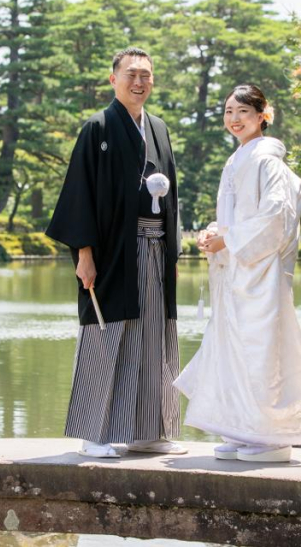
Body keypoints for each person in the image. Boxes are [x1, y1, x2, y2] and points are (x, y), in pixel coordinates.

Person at [47, 47, 185, 458]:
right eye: (131, 74)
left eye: (146, 75)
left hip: (155, 249)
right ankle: (95, 434)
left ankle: (148, 431)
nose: (139, 82)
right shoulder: (98, 127)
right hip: (111, 251)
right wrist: (84, 254)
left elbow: (173, 194)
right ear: (114, 79)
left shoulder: (158, 128)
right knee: (106, 333)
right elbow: (79, 195)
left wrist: (172, 256)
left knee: (153, 339)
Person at [174, 84, 301, 463]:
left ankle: (270, 437)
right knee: (234, 350)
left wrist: (229, 239)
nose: (234, 119)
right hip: (238, 273)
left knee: (261, 351)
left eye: (243, 112)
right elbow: (237, 217)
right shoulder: (239, 158)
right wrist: (214, 232)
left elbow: (276, 219)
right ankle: (241, 428)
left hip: (262, 274)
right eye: (228, 112)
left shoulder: (267, 161)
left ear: (262, 116)